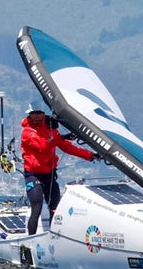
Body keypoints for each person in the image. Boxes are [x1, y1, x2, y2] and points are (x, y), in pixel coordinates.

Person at [20, 101, 101, 235]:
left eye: (39, 113)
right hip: (33, 175)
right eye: (33, 114)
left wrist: (91, 155)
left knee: (55, 209)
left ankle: (53, 236)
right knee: (37, 207)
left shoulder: (51, 130)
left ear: (43, 114)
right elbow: (42, 146)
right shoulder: (27, 132)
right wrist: (62, 137)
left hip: (49, 174)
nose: (37, 116)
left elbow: (69, 148)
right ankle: (31, 239)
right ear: (29, 115)